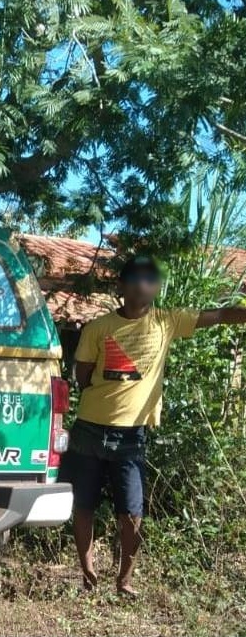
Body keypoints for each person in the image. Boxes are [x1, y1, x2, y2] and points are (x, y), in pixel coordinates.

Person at [61, 255, 246, 596]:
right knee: (82, 505)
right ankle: (87, 571)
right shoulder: (98, 328)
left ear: (157, 287)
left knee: (132, 512)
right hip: (89, 429)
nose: (143, 285)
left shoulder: (168, 321)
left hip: (132, 435)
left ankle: (124, 579)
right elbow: (83, 374)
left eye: (150, 279)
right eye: (135, 279)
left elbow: (219, 316)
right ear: (122, 286)